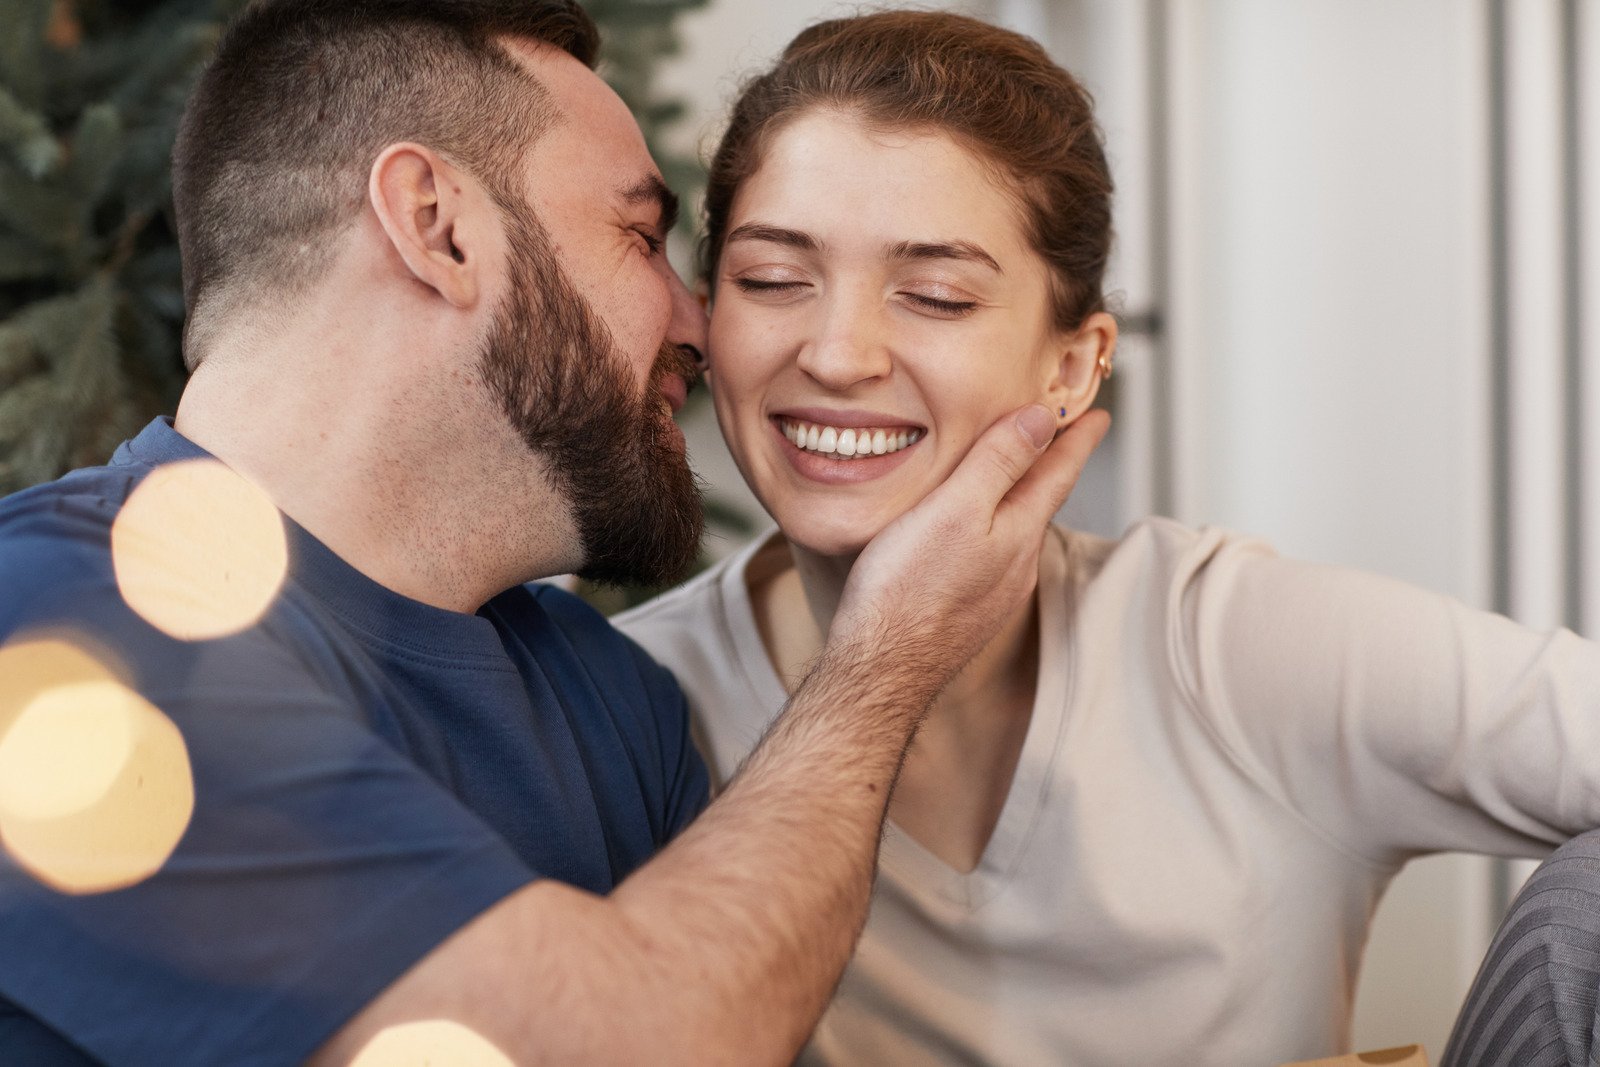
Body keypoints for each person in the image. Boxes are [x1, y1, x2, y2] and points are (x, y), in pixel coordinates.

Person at [0, 2, 1109, 1063]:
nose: (701, 323)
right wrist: (882, 659)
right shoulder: (54, 628)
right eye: (637, 236)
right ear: (436, 227)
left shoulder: (606, 696)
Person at [614, 10, 1600, 1066]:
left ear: (1074, 363)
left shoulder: (1235, 651)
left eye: (936, 295)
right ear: (709, 317)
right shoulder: (630, 702)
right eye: (771, 279)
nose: (839, 352)